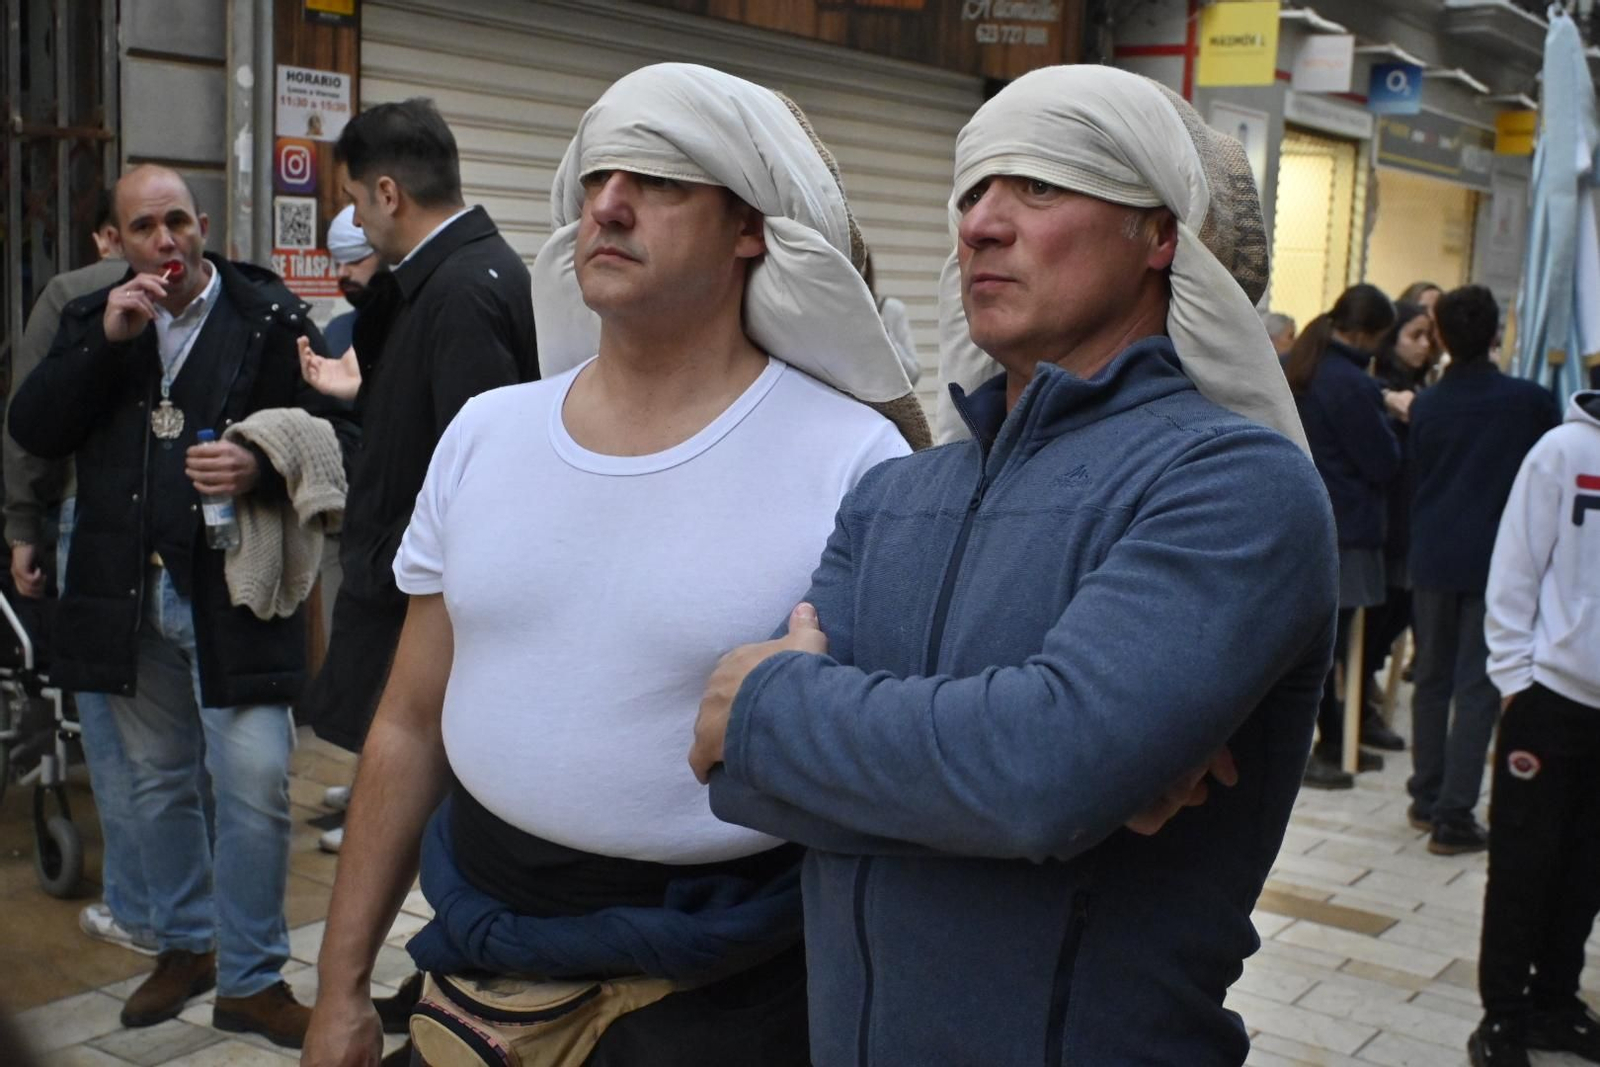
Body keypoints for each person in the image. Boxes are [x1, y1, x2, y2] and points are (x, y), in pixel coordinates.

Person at [691, 65, 1336, 1065]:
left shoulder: (1232, 487)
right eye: (972, 192)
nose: (982, 224)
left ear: (1158, 235)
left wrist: (777, 708)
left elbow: (1041, 774)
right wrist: (1027, 781)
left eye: (1038, 187)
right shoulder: (898, 493)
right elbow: (738, 779)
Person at [302, 63, 925, 1067]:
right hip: (473, 954)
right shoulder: (487, 433)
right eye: (596, 180)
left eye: (663, 181)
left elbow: (897, 754)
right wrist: (338, 991)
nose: (609, 204)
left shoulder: (852, 458)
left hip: (726, 993)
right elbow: (409, 722)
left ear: (749, 228)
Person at [7, 164, 355, 1047]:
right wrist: (107, 346)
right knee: (159, 784)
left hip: (230, 591)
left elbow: (342, 426)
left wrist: (262, 461)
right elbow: (33, 428)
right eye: (144, 229)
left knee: (253, 781)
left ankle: (252, 977)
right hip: (125, 590)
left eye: (177, 223)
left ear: (201, 226)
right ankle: (186, 946)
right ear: (116, 243)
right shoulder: (93, 318)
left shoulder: (268, 317)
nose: (165, 242)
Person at [298, 96, 536, 769]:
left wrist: (391, 565)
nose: (357, 222)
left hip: (422, 616)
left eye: (355, 201)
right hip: (409, 597)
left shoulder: (461, 291)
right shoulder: (444, 281)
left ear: (387, 192)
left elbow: (479, 474)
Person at [3, 189, 157, 956]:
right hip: (179, 532)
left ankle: (140, 906)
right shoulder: (214, 287)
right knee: (172, 732)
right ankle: (185, 901)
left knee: (111, 726)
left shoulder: (70, 294)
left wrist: (22, 526)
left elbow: (28, 425)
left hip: (89, 523)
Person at [1470, 384, 1600, 1067]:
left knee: (1586, 868)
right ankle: (1503, 1017)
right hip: (1548, 697)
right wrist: (1515, 680)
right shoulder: (1563, 451)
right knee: (1526, 864)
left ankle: (1555, 1003)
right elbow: (1516, 568)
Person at [1406, 285, 1561, 854]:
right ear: (1497, 333)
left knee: (1431, 679)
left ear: (1442, 336)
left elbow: (1415, 474)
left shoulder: (1428, 405)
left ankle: (1425, 796)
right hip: (1500, 560)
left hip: (1432, 554)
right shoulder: (1530, 402)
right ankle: (1454, 815)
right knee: (1477, 686)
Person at [1286, 284, 1401, 789]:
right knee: (1328, 650)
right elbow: (1382, 462)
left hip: (1303, 519)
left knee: (1315, 646)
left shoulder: (1301, 367)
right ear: (1371, 334)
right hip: (1347, 527)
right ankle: (1320, 746)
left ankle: (1336, 739)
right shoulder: (1351, 383)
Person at [1358, 300, 1438, 753]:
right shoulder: (1376, 386)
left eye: (1429, 337)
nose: (1424, 346)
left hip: (1412, 520)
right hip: (1383, 523)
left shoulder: (1421, 388)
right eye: (1415, 335)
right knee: (1377, 615)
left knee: (1399, 610)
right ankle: (1359, 709)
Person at [303, 204, 387, 403]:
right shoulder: (337, 330)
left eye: (354, 260)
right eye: (337, 263)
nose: (342, 273)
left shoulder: (411, 326)